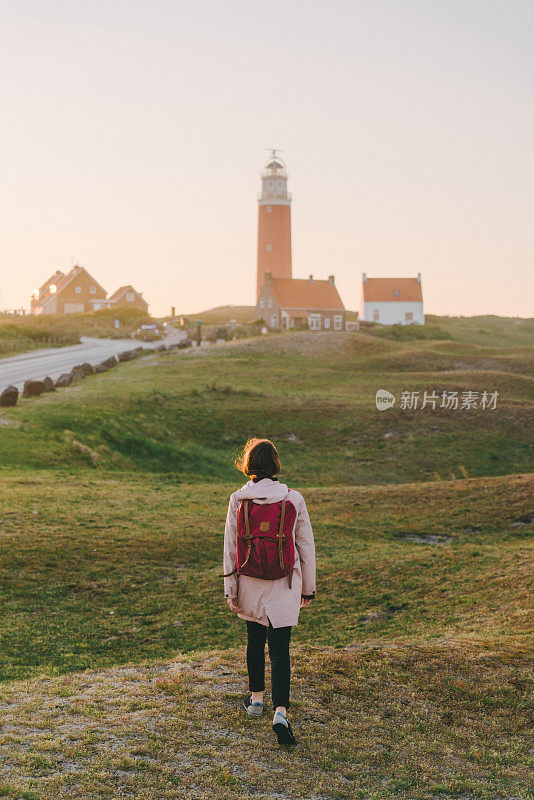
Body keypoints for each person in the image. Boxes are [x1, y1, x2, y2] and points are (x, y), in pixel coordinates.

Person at [222, 438, 316, 745]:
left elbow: (231, 548)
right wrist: (309, 588)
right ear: (275, 465)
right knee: (279, 648)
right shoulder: (293, 498)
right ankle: (280, 713)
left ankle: (256, 700)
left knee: (254, 638)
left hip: (249, 581)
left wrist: (230, 588)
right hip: (284, 583)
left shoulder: (238, 499)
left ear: (249, 465)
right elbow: (305, 547)